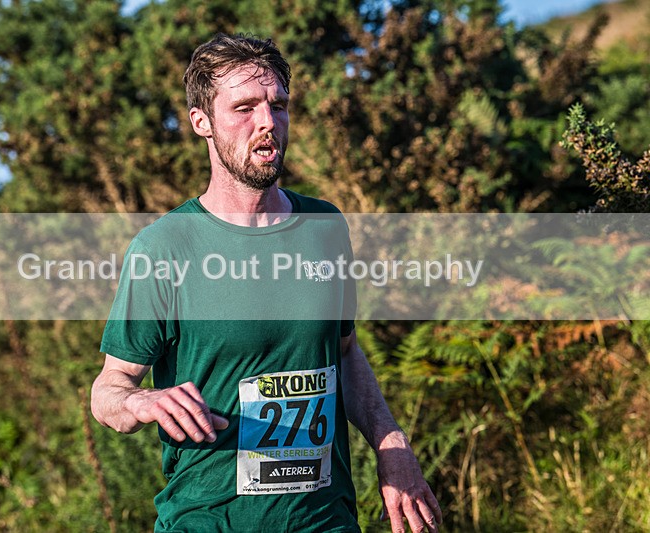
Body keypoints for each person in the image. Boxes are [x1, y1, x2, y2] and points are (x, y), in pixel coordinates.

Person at [91, 33, 442, 533]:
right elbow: (108, 390)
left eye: (278, 105)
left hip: (324, 520)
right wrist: (141, 400)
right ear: (202, 122)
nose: (266, 123)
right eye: (244, 107)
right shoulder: (165, 248)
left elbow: (343, 353)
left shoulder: (324, 227)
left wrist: (391, 445)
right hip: (210, 521)